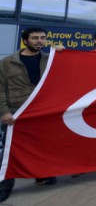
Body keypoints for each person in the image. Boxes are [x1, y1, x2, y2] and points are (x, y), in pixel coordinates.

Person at [0, 27, 59, 202]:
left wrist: (62, 53)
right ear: (25, 40)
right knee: (9, 151)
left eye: (42, 38)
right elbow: (0, 89)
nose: (39, 41)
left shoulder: (50, 60)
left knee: (41, 146)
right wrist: (3, 111)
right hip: (16, 111)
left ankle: (40, 176)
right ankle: (5, 185)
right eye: (35, 38)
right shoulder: (7, 62)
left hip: (41, 111)